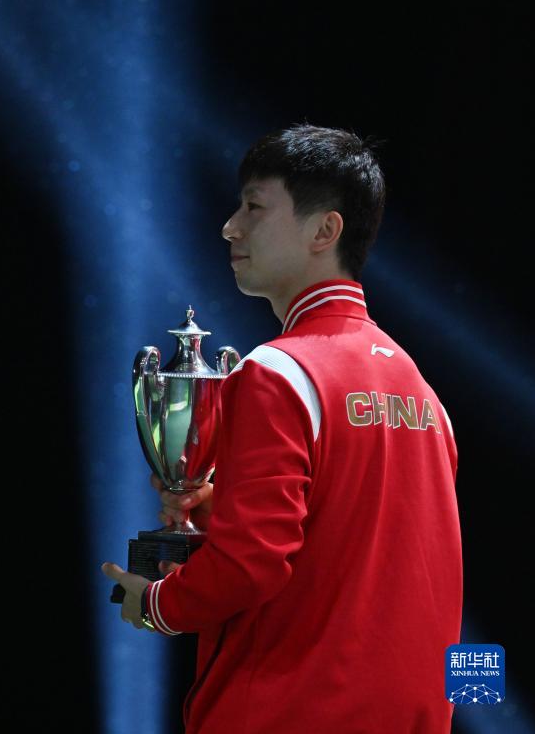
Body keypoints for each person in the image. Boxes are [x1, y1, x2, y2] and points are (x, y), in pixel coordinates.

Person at [102, 123, 463, 733]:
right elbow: (389, 558)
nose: (230, 227)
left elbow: (251, 565)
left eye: (254, 207)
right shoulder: (423, 393)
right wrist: (223, 512)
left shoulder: (277, 372)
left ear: (325, 231)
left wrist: (158, 604)